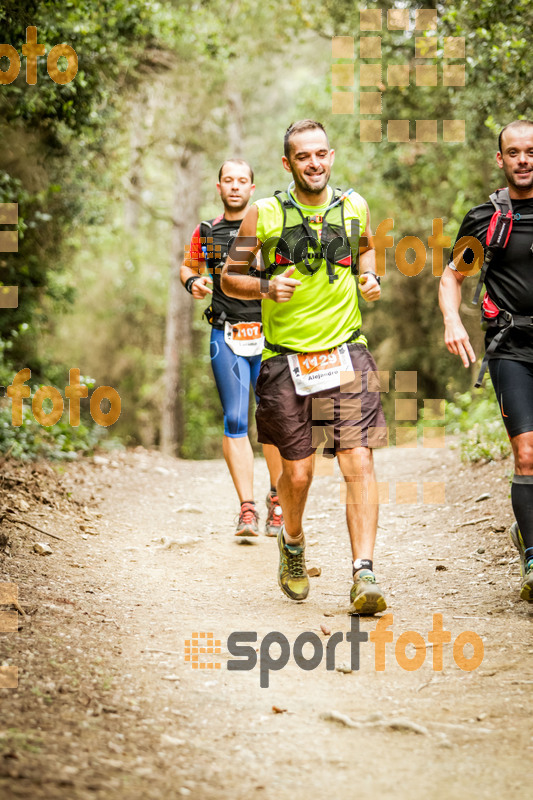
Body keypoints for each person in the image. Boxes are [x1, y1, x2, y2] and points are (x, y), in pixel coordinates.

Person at [221, 120, 388, 614]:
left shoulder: (353, 205)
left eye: (320, 154)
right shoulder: (264, 213)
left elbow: (366, 250)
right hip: (284, 358)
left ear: (331, 156)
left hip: (345, 349)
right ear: (287, 163)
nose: (313, 163)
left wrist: (370, 275)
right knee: (296, 476)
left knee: (358, 461)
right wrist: (266, 287)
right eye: (303, 156)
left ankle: (364, 572)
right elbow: (230, 278)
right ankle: (291, 542)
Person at [439, 119, 533, 603]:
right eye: (513, 152)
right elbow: (452, 276)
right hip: (511, 347)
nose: (523, 159)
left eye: (530, 151)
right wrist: (453, 321)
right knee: (527, 452)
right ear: (500, 159)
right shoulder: (488, 217)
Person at [180, 159, 283, 539]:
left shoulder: (271, 227)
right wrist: (192, 282)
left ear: (253, 188)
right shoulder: (206, 231)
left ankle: (278, 502)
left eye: (242, 181)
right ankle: (247, 509)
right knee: (236, 419)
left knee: (273, 421)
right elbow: (187, 266)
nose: (235, 186)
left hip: (271, 337)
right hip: (227, 335)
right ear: (219, 187)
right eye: (228, 180)